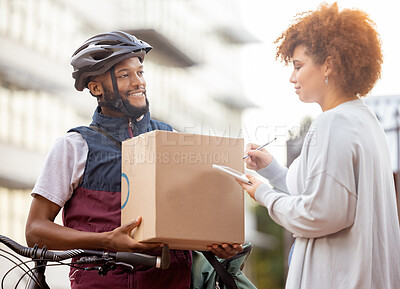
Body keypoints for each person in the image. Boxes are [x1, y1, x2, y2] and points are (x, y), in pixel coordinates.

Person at [25, 31, 241, 289]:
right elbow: (35, 230)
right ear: (95, 88)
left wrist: (216, 244)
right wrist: (106, 240)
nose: (139, 82)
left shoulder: (169, 138)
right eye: (124, 75)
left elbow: (191, 218)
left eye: (140, 72)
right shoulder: (74, 146)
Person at [237, 3, 400, 289]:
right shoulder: (363, 120)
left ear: (329, 64)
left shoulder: (333, 124)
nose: (292, 78)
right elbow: (325, 191)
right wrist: (273, 170)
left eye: (298, 66)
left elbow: (321, 213)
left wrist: (264, 194)